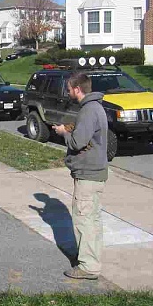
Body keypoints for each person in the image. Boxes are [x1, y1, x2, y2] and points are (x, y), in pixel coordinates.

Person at [52, 72, 108, 280]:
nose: (68, 93)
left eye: (69, 89)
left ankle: (88, 267)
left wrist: (63, 133)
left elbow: (77, 142)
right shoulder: (96, 108)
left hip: (89, 174)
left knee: (84, 219)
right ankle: (90, 258)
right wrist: (70, 130)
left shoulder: (89, 110)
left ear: (77, 89)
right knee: (91, 219)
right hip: (94, 173)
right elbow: (86, 136)